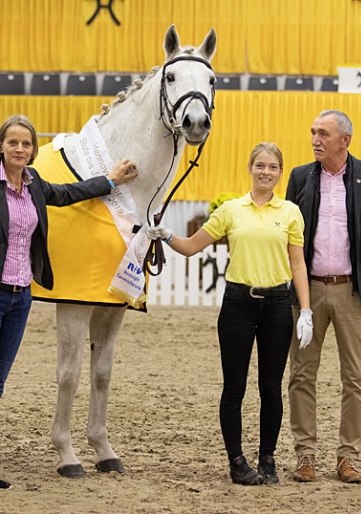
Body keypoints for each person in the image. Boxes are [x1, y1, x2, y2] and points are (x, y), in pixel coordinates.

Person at [0, 114, 139, 497]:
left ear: (33, 150)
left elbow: (69, 193)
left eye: (26, 144)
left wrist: (110, 181)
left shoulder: (34, 187)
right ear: (0, 146)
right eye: (13, 142)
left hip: (20, 298)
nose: (20, 149)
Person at [148, 142, 312, 485]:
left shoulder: (291, 212)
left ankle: (267, 459)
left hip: (278, 305)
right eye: (260, 165)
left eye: (272, 167)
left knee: (271, 386)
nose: (265, 172)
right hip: (238, 303)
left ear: (281, 173)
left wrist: (306, 310)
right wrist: (166, 236)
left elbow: (297, 263)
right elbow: (193, 247)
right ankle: (237, 461)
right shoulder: (231, 210)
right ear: (250, 168)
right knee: (234, 387)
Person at [286, 110, 361, 484]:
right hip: (308, 291)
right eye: (313, 132)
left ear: (345, 139)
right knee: (301, 375)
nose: (315, 139)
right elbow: (291, 234)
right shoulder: (300, 176)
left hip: (353, 292)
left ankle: (348, 457)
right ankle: (305, 456)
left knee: (356, 379)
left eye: (324, 133)